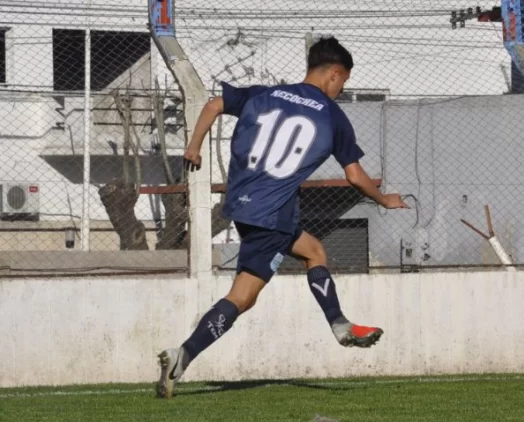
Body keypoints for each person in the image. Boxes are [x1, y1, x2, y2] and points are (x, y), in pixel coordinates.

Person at [156, 36, 409, 398]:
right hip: (273, 212)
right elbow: (355, 176)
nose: (341, 90)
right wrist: (384, 199)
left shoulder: (265, 94)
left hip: (242, 205)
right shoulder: (333, 116)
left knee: (314, 251)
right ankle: (183, 355)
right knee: (242, 298)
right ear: (335, 75)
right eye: (344, 83)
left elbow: (213, 105)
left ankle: (339, 322)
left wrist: (194, 147)